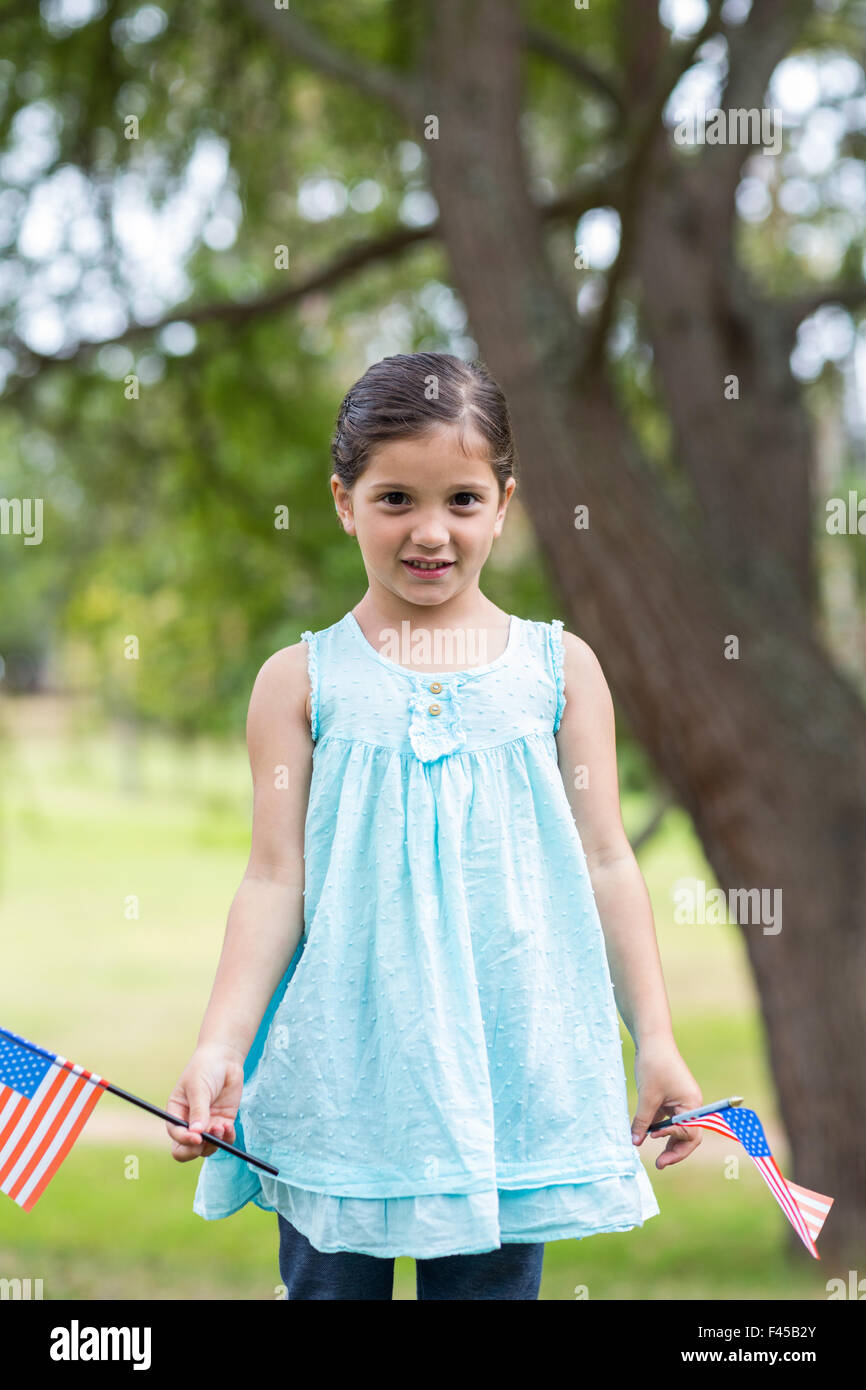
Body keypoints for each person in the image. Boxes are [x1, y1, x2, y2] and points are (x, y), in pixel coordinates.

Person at [165, 351, 702, 1301]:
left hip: (505, 1087)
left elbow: (608, 861)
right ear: (343, 501)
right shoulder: (302, 683)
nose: (430, 532)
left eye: (460, 500)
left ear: (503, 503)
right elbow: (271, 880)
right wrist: (218, 1041)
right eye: (394, 499)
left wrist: (654, 1036)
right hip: (342, 1087)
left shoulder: (560, 671)